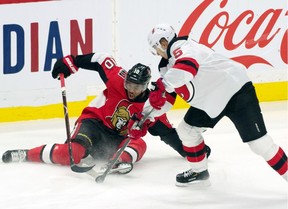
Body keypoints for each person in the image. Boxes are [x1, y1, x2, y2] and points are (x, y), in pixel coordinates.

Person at [1, 52, 211, 175]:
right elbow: (100, 59)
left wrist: (190, 151)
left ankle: (117, 161)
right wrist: (71, 62)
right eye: (129, 83)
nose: (130, 89)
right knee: (69, 154)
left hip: (115, 141)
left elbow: (167, 133)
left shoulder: (151, 107)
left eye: (136, 87)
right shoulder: (116, 79)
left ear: (146, 86)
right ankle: (26, 153)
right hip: (93, 124)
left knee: (140, 143)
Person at [144, 23, 287, 186]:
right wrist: (145, 116)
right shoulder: (165, 66)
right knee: (187, 131)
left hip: (236, 91)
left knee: (259, 144)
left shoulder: (182, 46)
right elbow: (167, 98)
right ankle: (199, 172)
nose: (157, 54)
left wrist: (164, 83)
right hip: (210, 100)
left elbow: (187, 67)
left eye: (156, 49)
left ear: (163, 42)